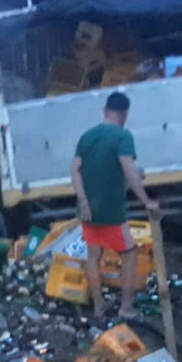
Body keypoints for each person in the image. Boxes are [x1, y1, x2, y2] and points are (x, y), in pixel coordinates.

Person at [70, 92, 159, 320]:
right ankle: (126, 308)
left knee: (93, 255)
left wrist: (83, 200)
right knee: (129, 255)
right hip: (112, 212)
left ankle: (99, 304)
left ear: (104, 110)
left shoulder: (87, 136)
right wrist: (146, 200)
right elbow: (128, 169)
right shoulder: (123, 136)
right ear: (124, 114)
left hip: (89, 210)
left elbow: (75, 169)